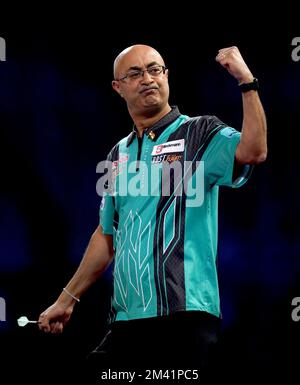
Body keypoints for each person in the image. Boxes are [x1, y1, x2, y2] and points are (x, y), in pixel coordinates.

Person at [38, 44, 267, 376]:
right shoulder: (117, 155)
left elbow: (254, 151)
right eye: (135, 73)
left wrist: (246, 81)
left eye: (154, 69)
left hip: (184, 318)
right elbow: (106, 236)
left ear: (166, 76)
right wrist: (66, 299)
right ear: (118, 87)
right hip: (127, 319)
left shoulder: (199, 133)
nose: (147, 79)